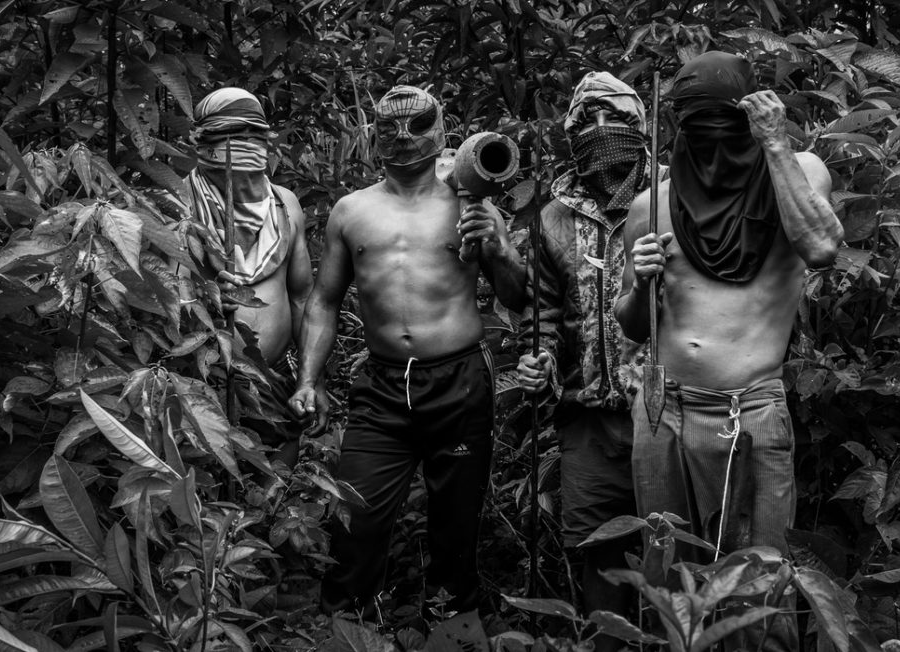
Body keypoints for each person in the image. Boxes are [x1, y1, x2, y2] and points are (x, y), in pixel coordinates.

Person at [614, 51, 844, 648]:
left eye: (727, 127)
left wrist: (773, 142)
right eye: (698, 129)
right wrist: (640, 283)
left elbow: (820, 246)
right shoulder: (652, 205)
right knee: (669, 580)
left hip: (753, 406)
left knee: (760, 585)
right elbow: (633, 326)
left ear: (752, 117)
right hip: (664, 408)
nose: (713, 146)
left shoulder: (800, 173)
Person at [287, 85, 525, 617]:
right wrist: (308, 379)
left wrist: (499, 246)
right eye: (391, 128)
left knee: (456, 527)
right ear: (373, 137)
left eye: (418, 125)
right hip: (383, 386)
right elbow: (323, 301)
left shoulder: (471, 202)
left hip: (459, 381)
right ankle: (348, 628)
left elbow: (516, 295)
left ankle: (453, 630)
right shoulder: (352, 211)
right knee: (355, 518)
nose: (404, 138)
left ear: (440, 131)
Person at [514, 71, 652, 649]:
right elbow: (543, 313)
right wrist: (539, 358)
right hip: (586, 418)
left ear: (640, 129)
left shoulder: (669, 199)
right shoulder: (551, 216)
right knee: (597, 553)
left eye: (614, 121)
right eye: (586, 123)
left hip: (665, 413)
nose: (600, 132)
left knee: (677, 549)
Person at [186, 87, 312, 466]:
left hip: (273, 378)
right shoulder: (181, 203)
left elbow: (303, 297)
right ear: (204, 142)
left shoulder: (285, 204)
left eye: (253, 136)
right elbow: (161, 300)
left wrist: (311, 377)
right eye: (230, 137)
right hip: (203, 381)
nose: (243, 146)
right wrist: (205, 299)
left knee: (276, 489)